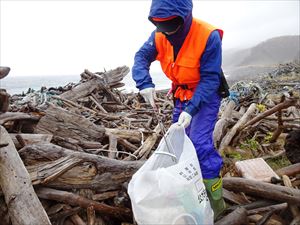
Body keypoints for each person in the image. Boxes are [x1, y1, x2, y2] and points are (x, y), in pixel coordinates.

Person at [132, 0, 226, 220]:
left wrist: (191, 109)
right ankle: (189, 201)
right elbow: (141, 57)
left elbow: (211, 78)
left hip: (205, 93)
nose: (166, 30)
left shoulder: (207, 35)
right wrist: (144, 83)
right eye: (159, 24)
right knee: (179, 144)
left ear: (184, 17)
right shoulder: (158, 35)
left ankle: (216, 204)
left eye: (171, 24)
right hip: (181, 95)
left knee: (200, 145)